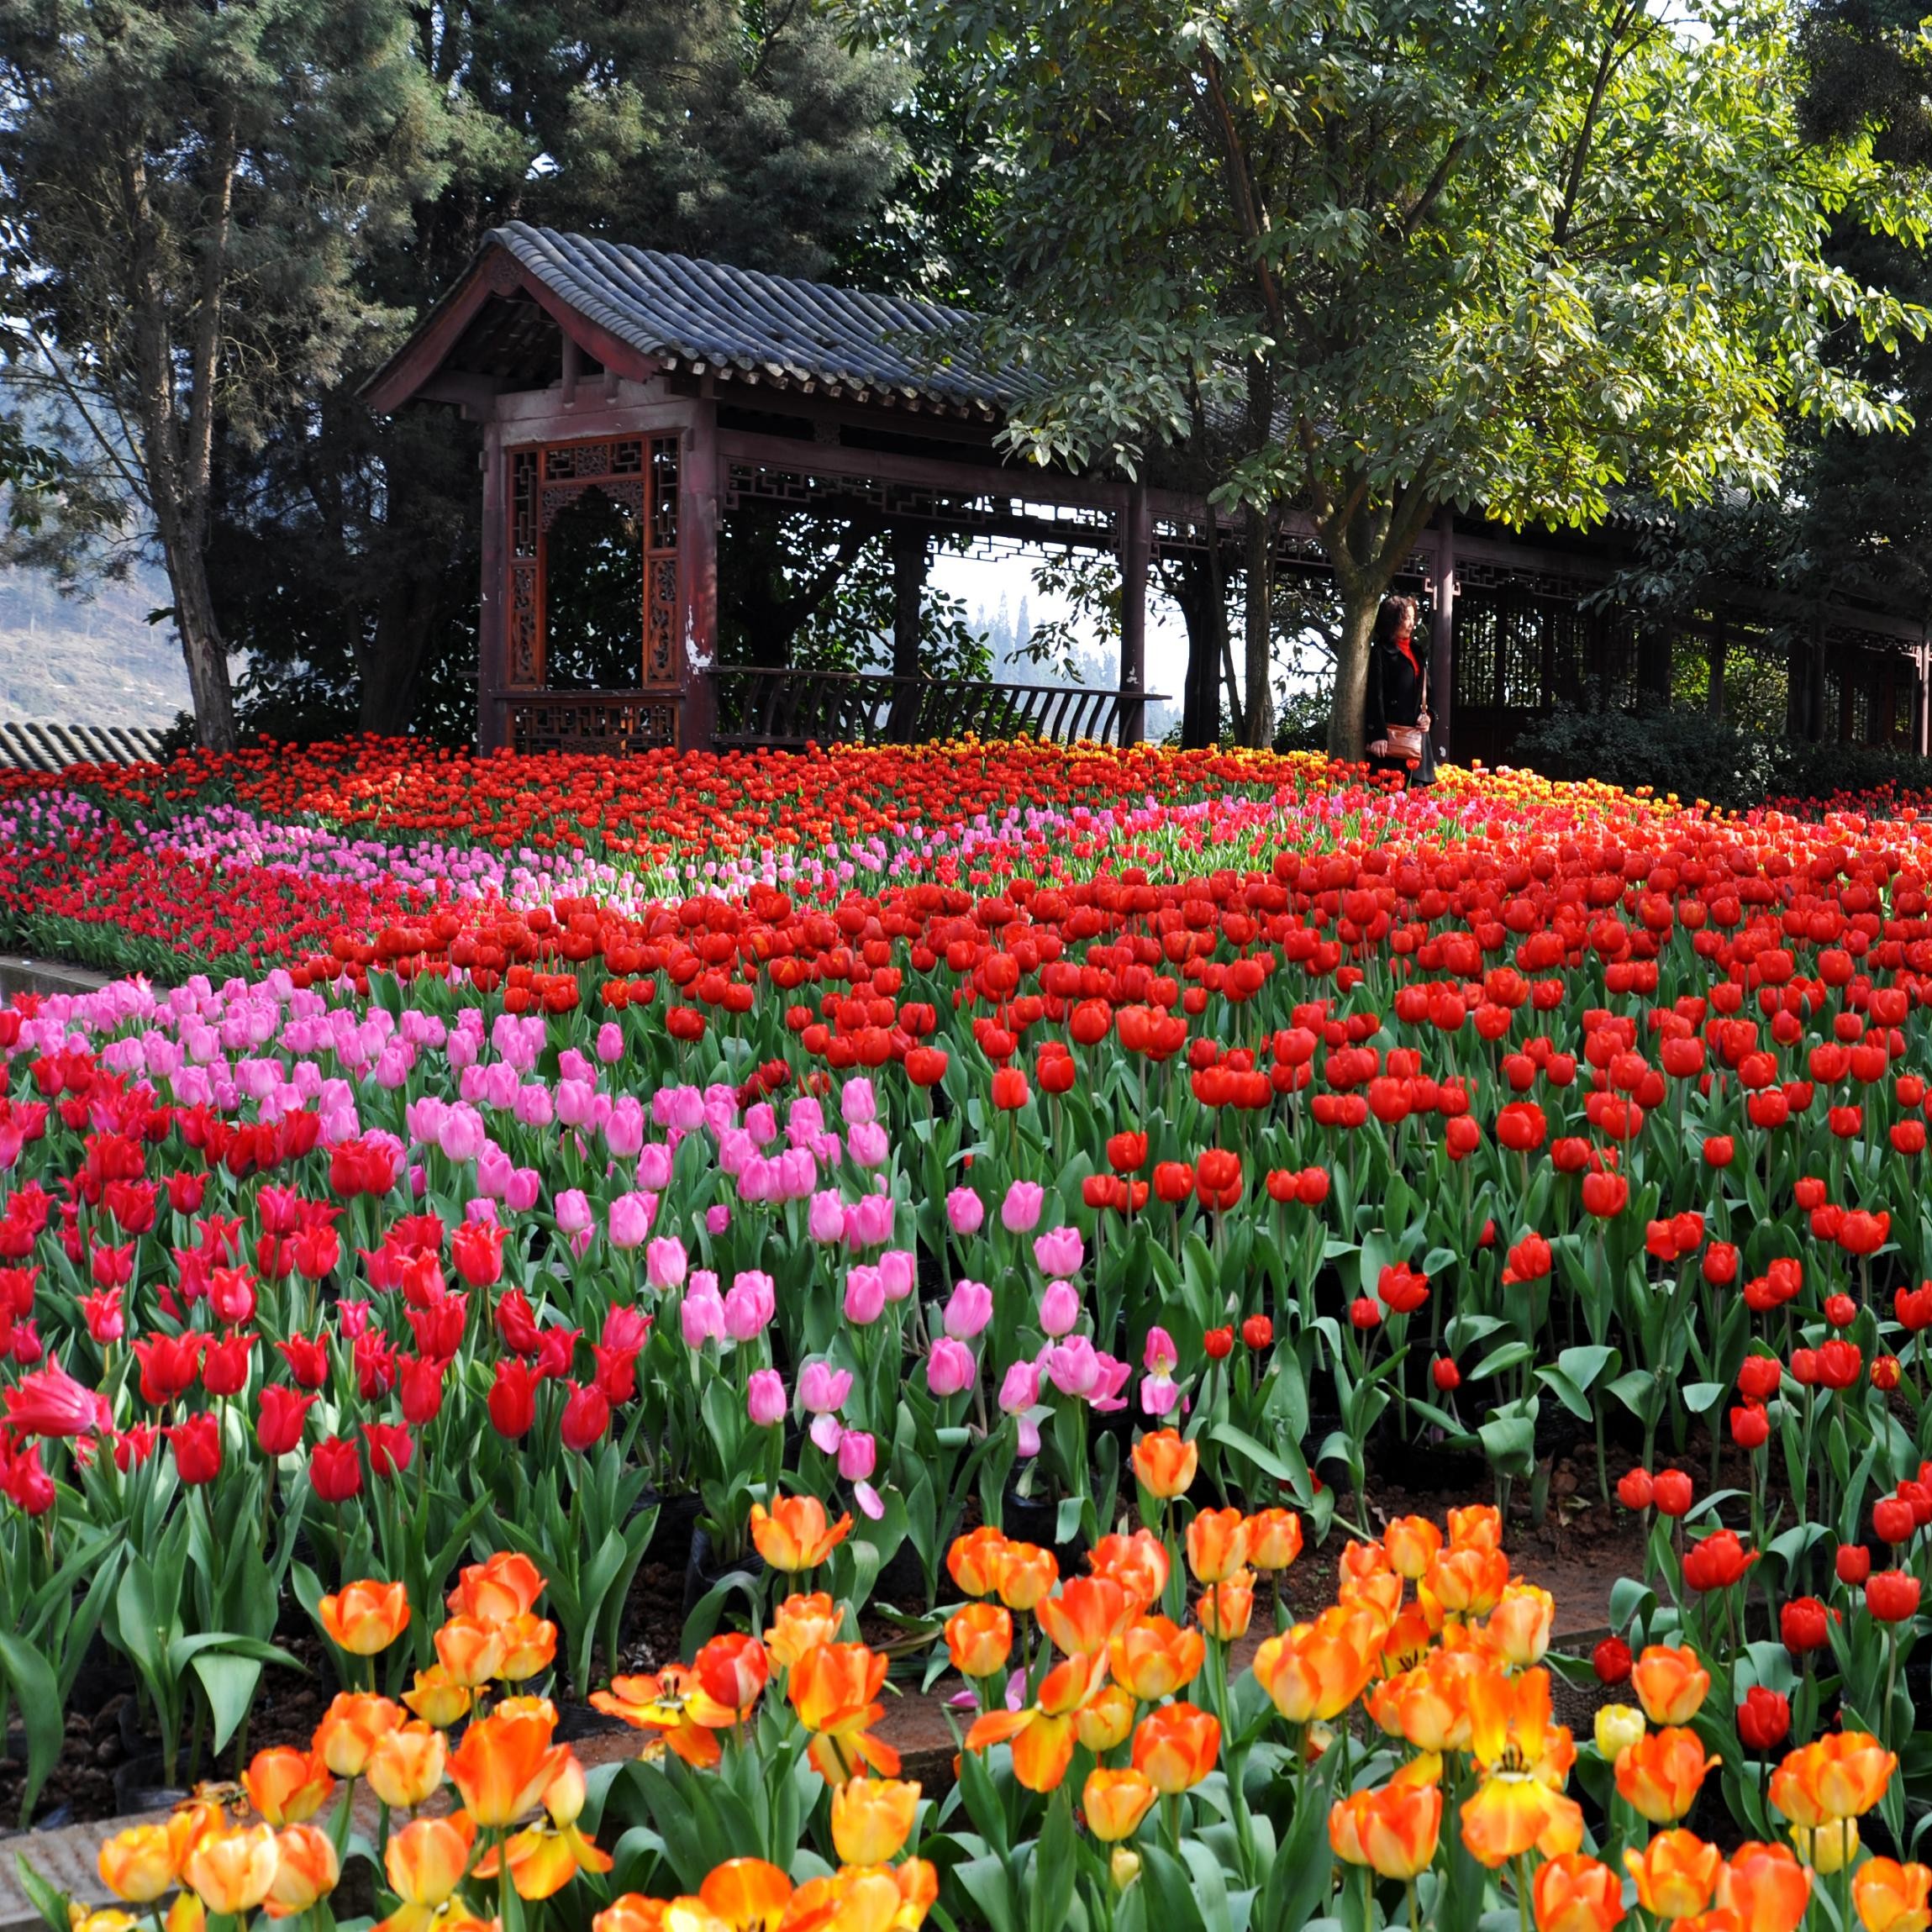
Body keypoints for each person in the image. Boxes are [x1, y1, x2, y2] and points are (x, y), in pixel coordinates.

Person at [1362, 594, 1431, 784]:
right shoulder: (1380, 651)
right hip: (1390, 740)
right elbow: (1375, 695)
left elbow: (1427, 691)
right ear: (1392, 621)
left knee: (1419, 799)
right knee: (1390, 798)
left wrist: (1429, 716)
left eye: (1412, 618)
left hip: (1416, 738)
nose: (1411, 624)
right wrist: (1377, 734)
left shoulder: (1417, 651)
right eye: (1405, 618)